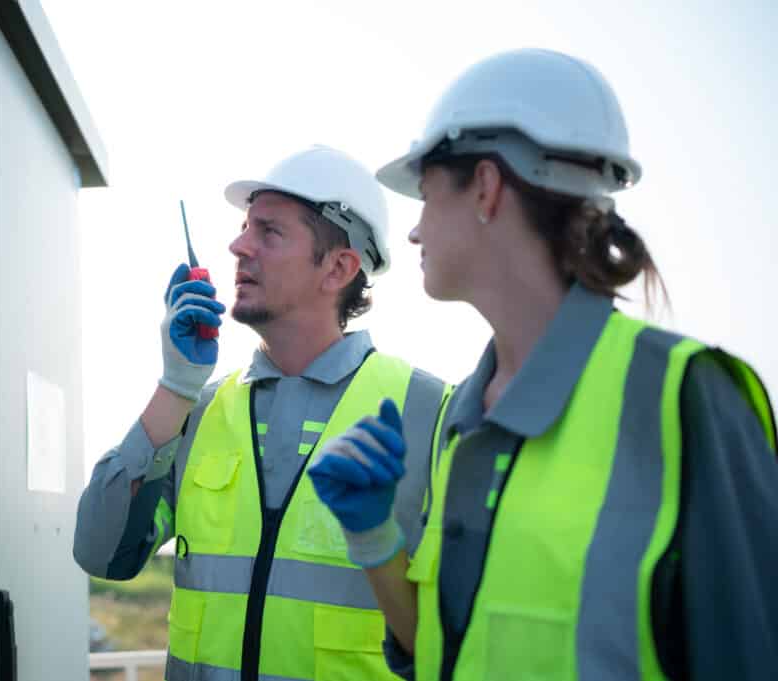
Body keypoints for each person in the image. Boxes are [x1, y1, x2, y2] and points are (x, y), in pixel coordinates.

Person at [308, 49, 778, 680]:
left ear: (486, 186)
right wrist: (373, 539)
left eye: (424, 196)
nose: (414, 233)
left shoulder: (688, 397)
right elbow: (450, 651)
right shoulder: (465, 422)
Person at [73, 145, 450, 681]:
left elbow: (459, 637)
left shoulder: (431, 414)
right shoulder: (198, 411)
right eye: (244, 227)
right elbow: (102, 553)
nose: (237, 246)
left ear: (339, 267)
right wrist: (175, 386)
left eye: (268, 233)